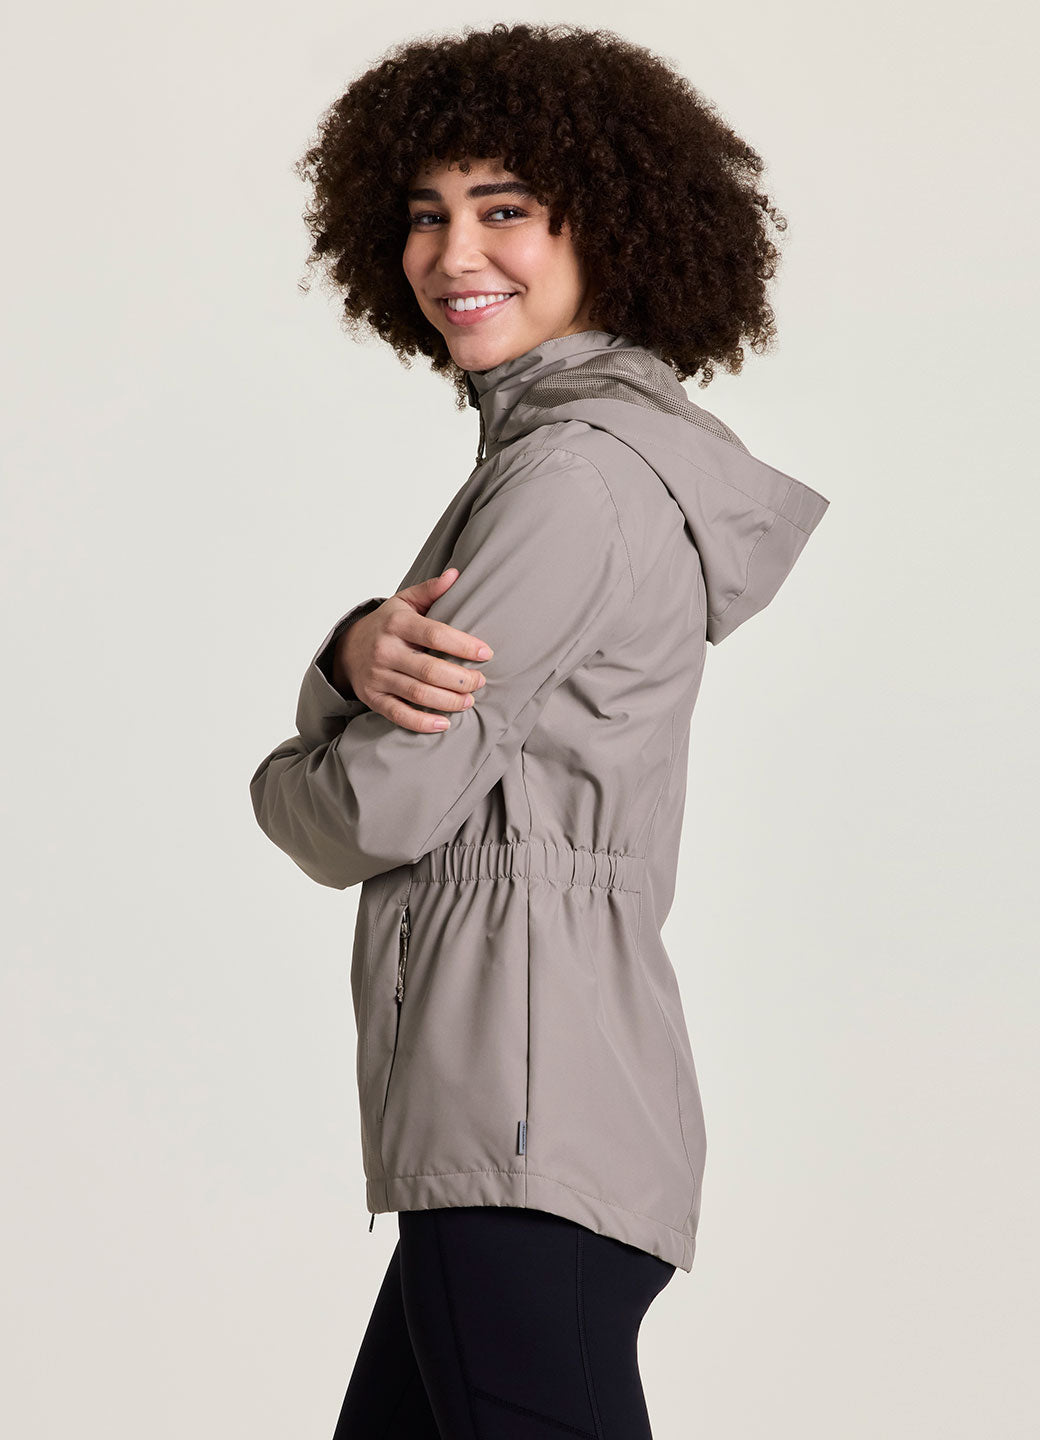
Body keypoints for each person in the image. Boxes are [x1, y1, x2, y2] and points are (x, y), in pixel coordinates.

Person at [249, 21, 831, 1439]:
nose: (454, 254)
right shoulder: (576, 458)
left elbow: (371, 812)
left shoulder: (569, 480)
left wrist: (301, 732)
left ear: (612, 226)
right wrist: (356, 645)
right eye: (425, 214)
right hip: (526, 1109)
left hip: (516, 1115)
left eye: (505, 209)